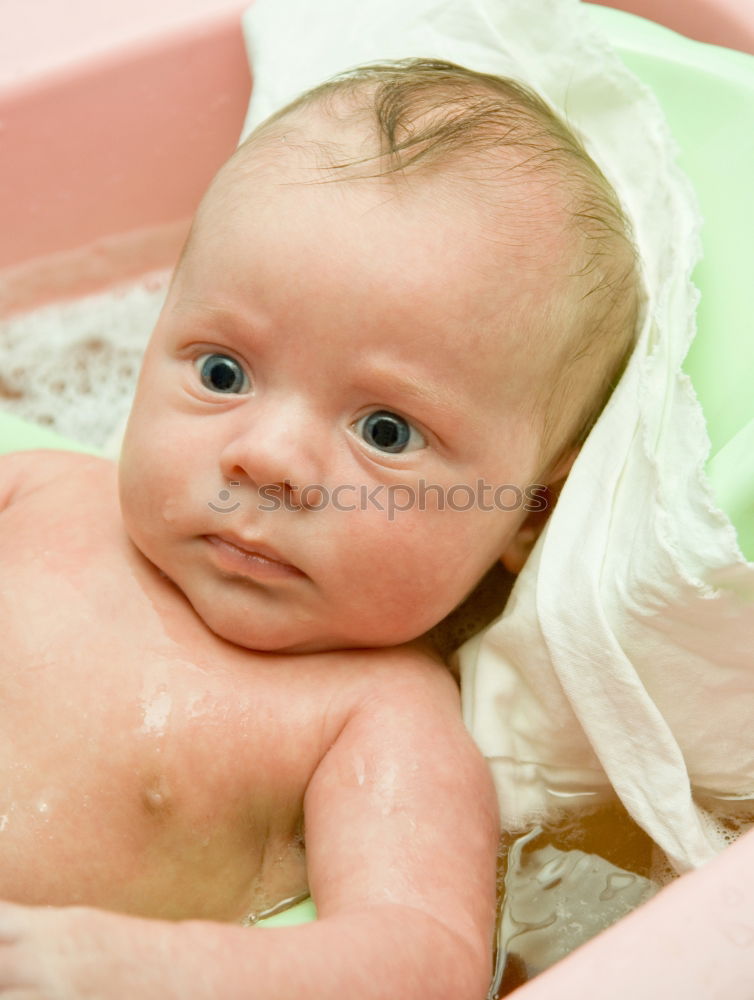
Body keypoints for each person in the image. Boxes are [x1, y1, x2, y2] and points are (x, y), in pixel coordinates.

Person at [0, 59, 638, 999]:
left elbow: (420, 962)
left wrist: (129, 969)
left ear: (530, 513)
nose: (269, 459)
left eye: (386, 432)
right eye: (221, 372)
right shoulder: (43, 491)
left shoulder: (374, 716)